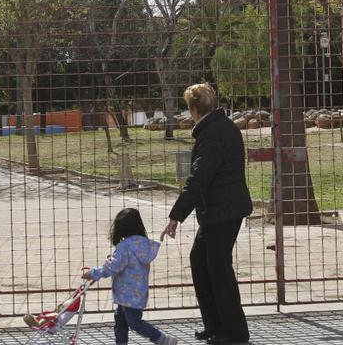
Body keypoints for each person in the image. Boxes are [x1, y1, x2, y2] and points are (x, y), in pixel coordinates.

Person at [160, 84, 253, 345]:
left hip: (223, 211)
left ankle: (234, 332)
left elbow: (199, 177)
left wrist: (176, 215)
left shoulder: (212, 134)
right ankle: (215, 325)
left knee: (218, 267)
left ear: (193, 109)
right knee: (200, 261)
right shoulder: (219, 128)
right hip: (219, 210)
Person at [84, 208, 178, 345]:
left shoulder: (124, 247)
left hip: (126, 293)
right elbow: (128, 262)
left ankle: (162, 339)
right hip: (138, 293)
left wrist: (93, 273)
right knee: (121, 320)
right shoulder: (143, 244)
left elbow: (111, 267)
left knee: (134, 323)